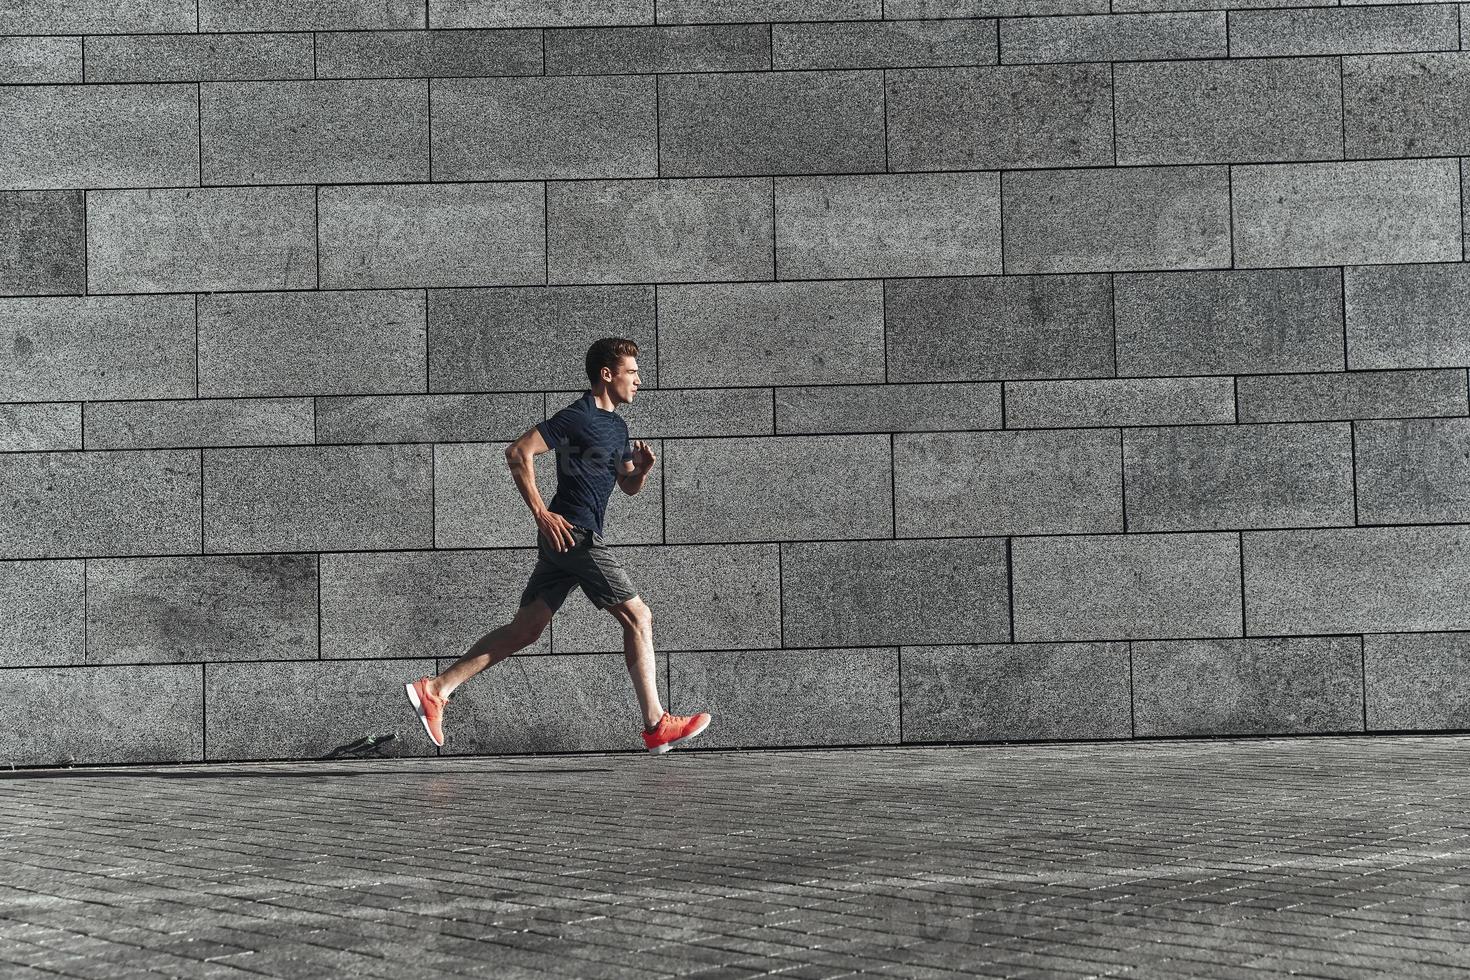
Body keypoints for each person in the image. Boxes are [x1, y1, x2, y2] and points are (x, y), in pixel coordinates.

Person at [403, 338, 712, 755]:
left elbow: (625, 484)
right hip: (574, 532)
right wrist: (541, 515)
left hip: (563, 543)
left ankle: (436, 688)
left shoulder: (618, 426)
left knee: (526, 629)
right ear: (607, 374)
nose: (639, 380)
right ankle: (657, 724)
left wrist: (641, 471)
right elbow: (518, 452)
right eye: (632, 372)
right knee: (638, 616)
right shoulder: (577, 416)